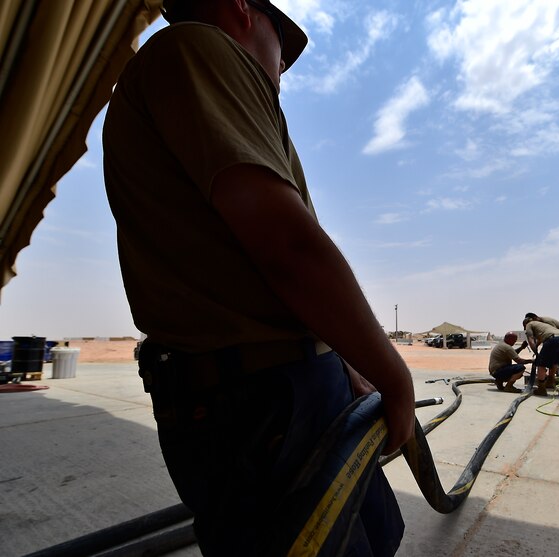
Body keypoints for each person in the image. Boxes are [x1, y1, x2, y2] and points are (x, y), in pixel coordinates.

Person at [102, 1, 415, 554]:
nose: (281, 71)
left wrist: (346, 364)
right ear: (243, 9)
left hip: (292, 387)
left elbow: (249, 274)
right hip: (261, 403)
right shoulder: (199, 49)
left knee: (378, 537)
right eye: (282, 48)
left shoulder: (213, 85)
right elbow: (288, 246)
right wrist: (394, 377)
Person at [520, 312, 559, 393]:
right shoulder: (543, 325)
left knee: (541, 364)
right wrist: (537, 348)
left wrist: (537, 354)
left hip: (554, 339)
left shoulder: (529, 324)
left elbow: (530, 340)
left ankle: (541, 389)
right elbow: (544, 336)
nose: (525, 328)